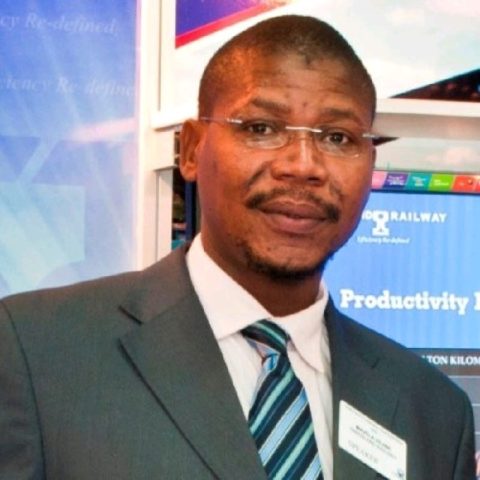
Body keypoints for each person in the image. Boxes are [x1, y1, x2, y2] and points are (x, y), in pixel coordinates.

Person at [0, 14, 475, 480]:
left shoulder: (432, 412)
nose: (302, 165)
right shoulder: (35, 353)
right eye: (261, 128)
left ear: (370, 163)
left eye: (337, 137)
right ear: (191, 149)